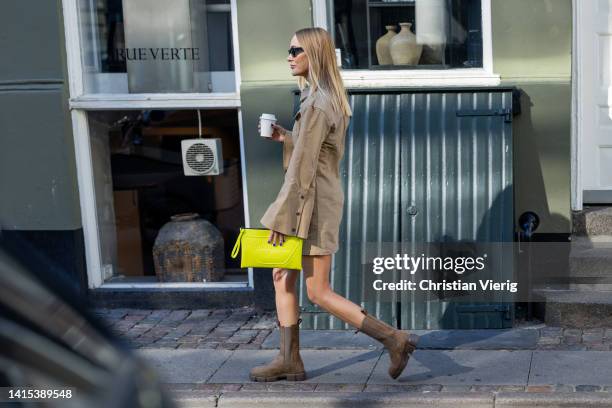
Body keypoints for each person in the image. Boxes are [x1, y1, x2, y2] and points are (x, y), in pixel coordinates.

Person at [252, 27, 418, 382]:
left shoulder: (316, 103)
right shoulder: (322, 98)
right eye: (289, 49)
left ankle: (394, 338)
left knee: (318, 291)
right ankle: (289, 360)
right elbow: (314, 154)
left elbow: (303, 169)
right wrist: (288, 137)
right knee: (281, 277)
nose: (289, 56)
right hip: (309, 201)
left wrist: (280, 218)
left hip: (310, 206)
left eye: (296, 50)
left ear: (314, 54)